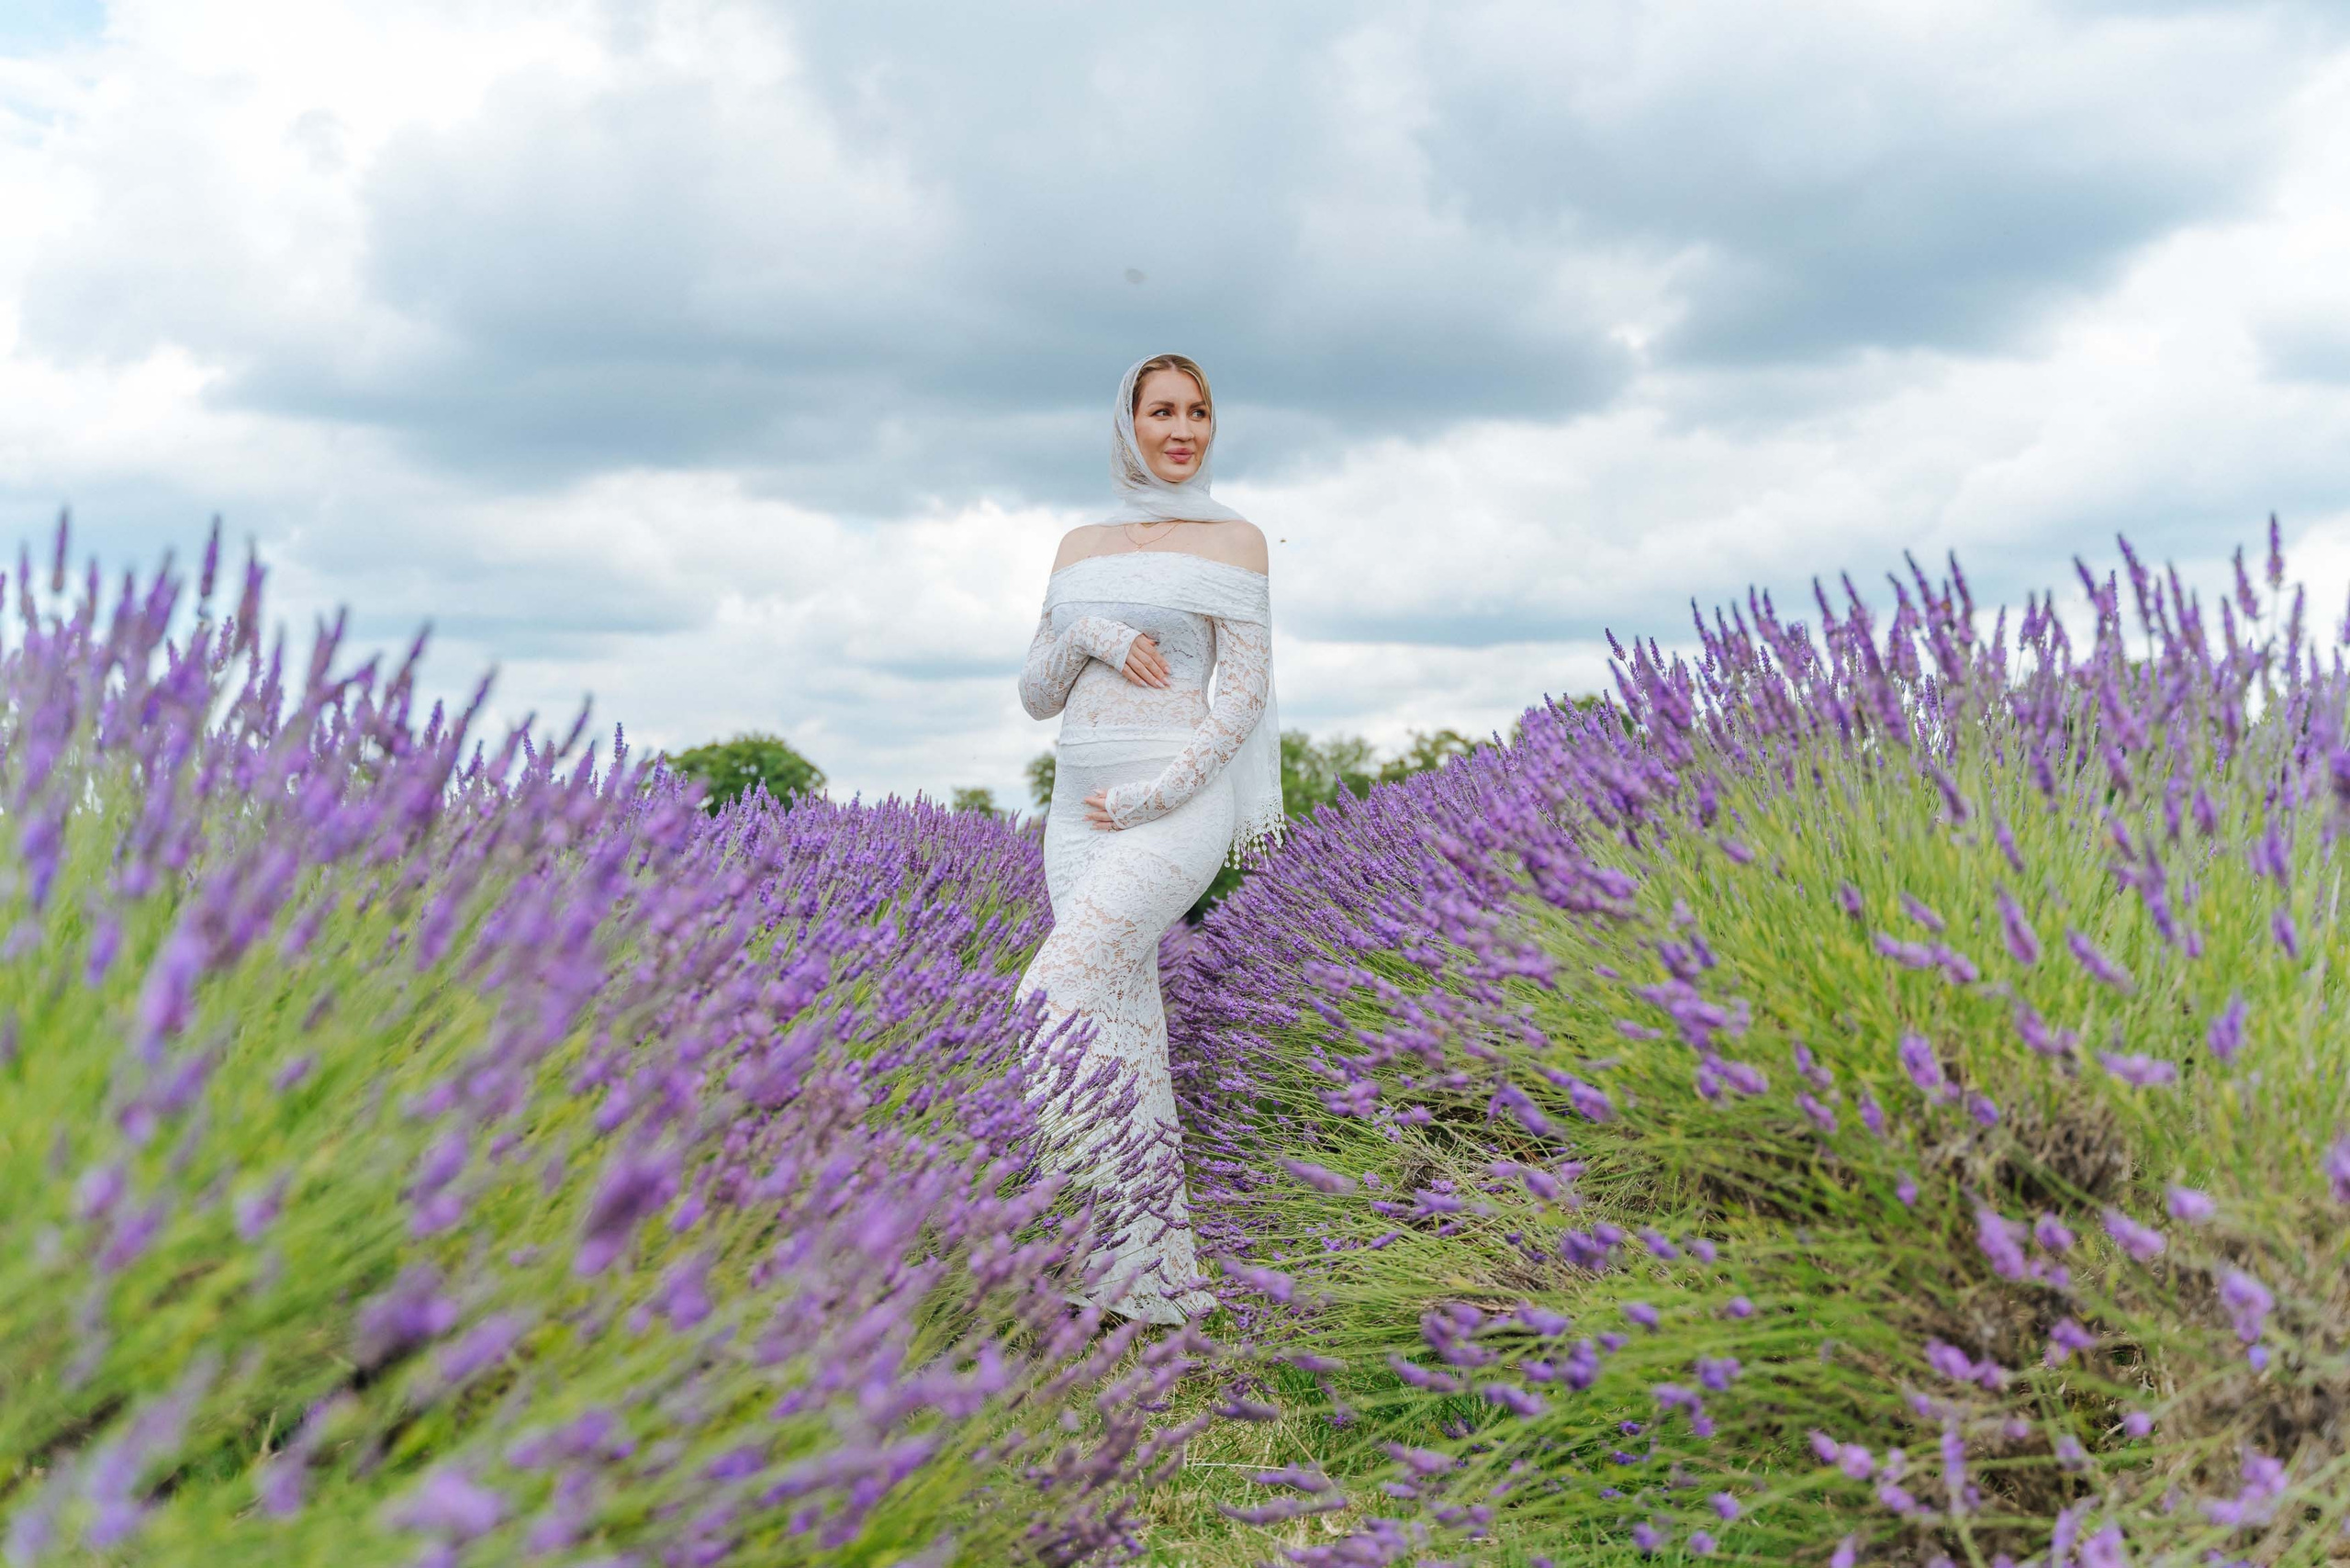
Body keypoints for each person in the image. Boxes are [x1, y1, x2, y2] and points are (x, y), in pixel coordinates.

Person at [1013, 353, 1282, 1325]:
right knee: (1120, 1034)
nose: (1182, 429)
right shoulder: (1081, 544)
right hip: (1070, 814)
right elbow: (1038, 692)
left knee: (1050, 993)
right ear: (1126, 422)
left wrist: (1149, 797)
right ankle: (1142, 1284)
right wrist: (1084, 627)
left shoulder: (1238, 542)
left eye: (1199, 412)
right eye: (1162, 411)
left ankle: (1049, 1227)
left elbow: (1242, 697)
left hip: (1171, 809)